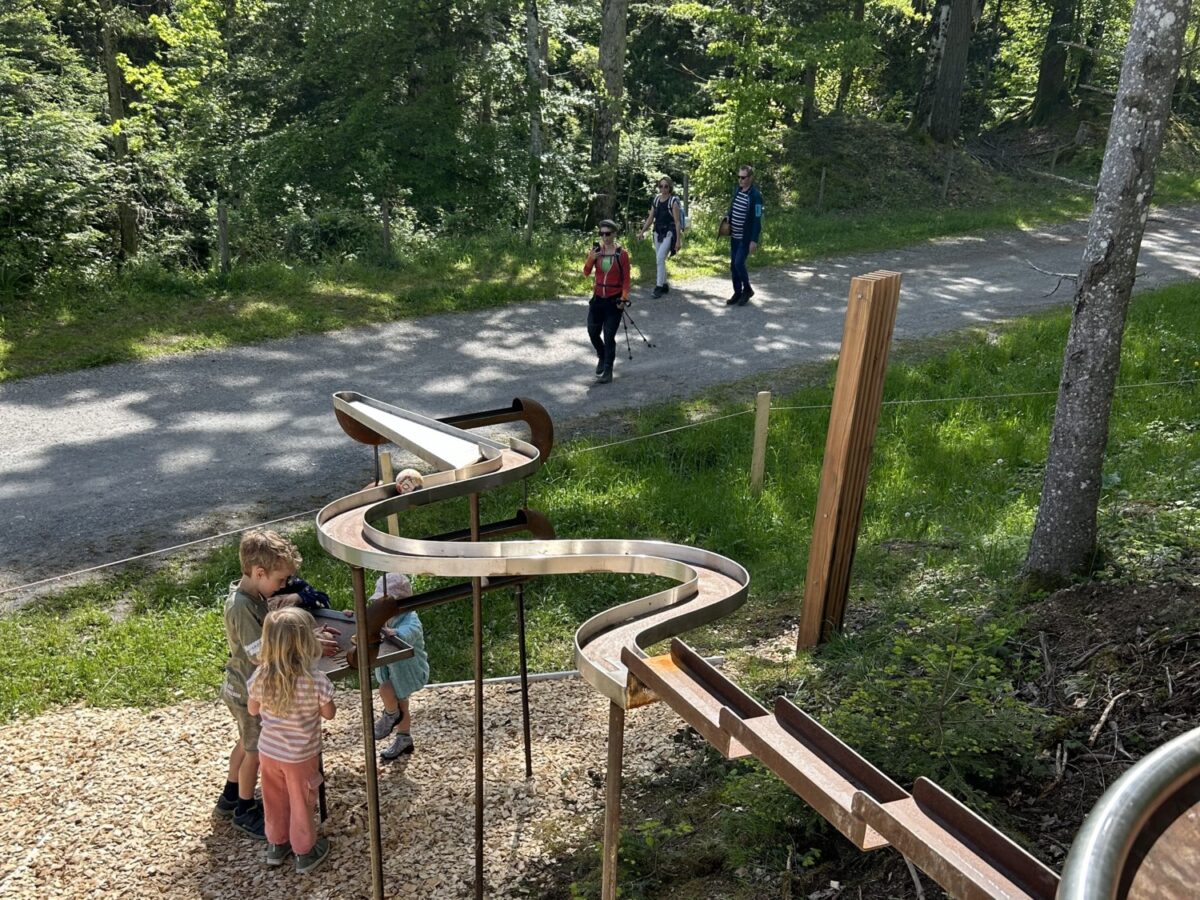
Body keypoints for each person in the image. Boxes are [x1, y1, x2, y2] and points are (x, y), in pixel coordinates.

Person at [214, 529, 338, 840]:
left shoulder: (253, 594)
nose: (283, 586)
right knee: (255, 749)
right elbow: (259, 655)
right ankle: (244, 808)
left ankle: (229, 796)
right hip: (248, 688)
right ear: (259, 572)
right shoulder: (241, 606)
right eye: (280, 580)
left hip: (242, 686)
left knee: (245, 742)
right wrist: (302, 645)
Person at [247, 607, 336, 874]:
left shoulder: (261, 676)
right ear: (306, 643)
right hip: (300, 756)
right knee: (301, 802)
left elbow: (252, 709)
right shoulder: (315, 681)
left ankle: (276, 844)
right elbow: (329, 714)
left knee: (274, 798)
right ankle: (304, 850)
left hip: (269, 753)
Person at [370, 571, 430, 760]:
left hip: (408, 671)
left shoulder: (410, 618)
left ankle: (391, 715)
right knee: (402, 703)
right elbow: (368, 622)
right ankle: (404, 738)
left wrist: (394, 632)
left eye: (386, 603)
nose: (381, 606)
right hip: (392, 669)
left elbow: (409, 633)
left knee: (386, 689)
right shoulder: (384, 616)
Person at [583, 219, 631, 384]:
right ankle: (601, 355)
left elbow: (626, 280)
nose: (604, 237)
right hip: (597, 300)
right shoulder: (596, 251)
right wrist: (591, 258)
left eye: (607, 233)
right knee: (592, 332)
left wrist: (623, 299)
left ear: (614, 234)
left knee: (609, 335)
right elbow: (586, 272)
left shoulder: (622, 255)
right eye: (601, 233)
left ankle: (608, 371)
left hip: (613, 301)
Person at [638, 177, 683, 298]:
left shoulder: (673, 202)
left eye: (666, 186)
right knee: (660, 260)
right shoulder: (656, 200)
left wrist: (678, 241)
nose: (663, 189)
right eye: (661, 186)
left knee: (659, 258)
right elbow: (650, 218)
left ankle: (658, 287)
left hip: (669, 233)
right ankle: (664, 284)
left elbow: (677, 222)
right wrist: (642, 232)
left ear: (670, 187)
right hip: (657, 233)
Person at [725, 164, 764, 307]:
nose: (740, 180)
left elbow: (757, 219)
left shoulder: (756, 196)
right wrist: (728, 217)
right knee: (733, 266)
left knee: (738, 263)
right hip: (734, 236)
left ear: (750, 178)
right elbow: (733, 207)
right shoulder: (738, 190)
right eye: (739, 177)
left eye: (743, 177)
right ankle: (737, 292)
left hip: (745, 238)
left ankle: (747, 289)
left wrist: (754, 240)